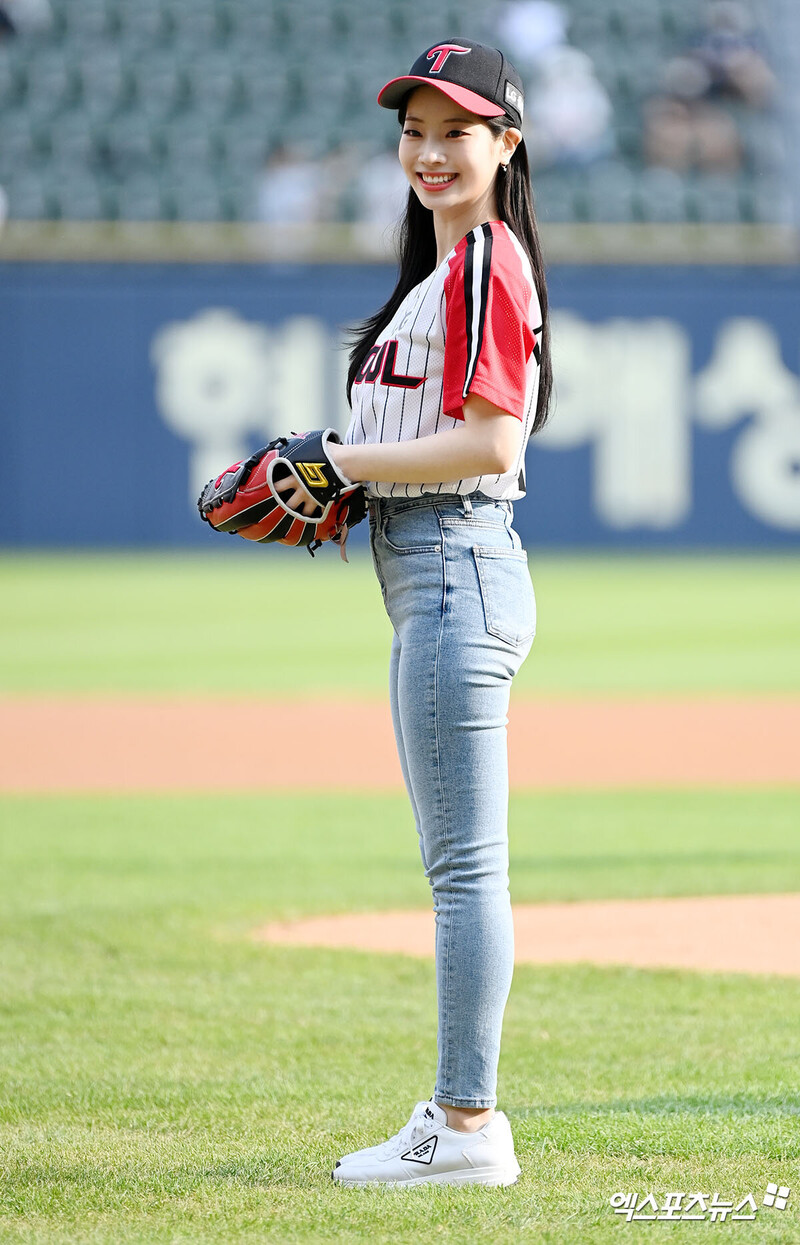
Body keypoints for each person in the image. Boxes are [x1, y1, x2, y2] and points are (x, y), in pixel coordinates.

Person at [277, 37, 552, 1187]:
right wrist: (349, 480)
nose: (431, 152)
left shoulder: (487, 259)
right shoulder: (444, 275)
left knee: (462, 871)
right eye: (415, 130)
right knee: (460, 865)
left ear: (506, 142)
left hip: (454, 566)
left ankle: (467, 1125)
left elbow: (493, 443)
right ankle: (462, 1116)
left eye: (457, 130)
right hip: (435, 566)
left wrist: (337, 461)